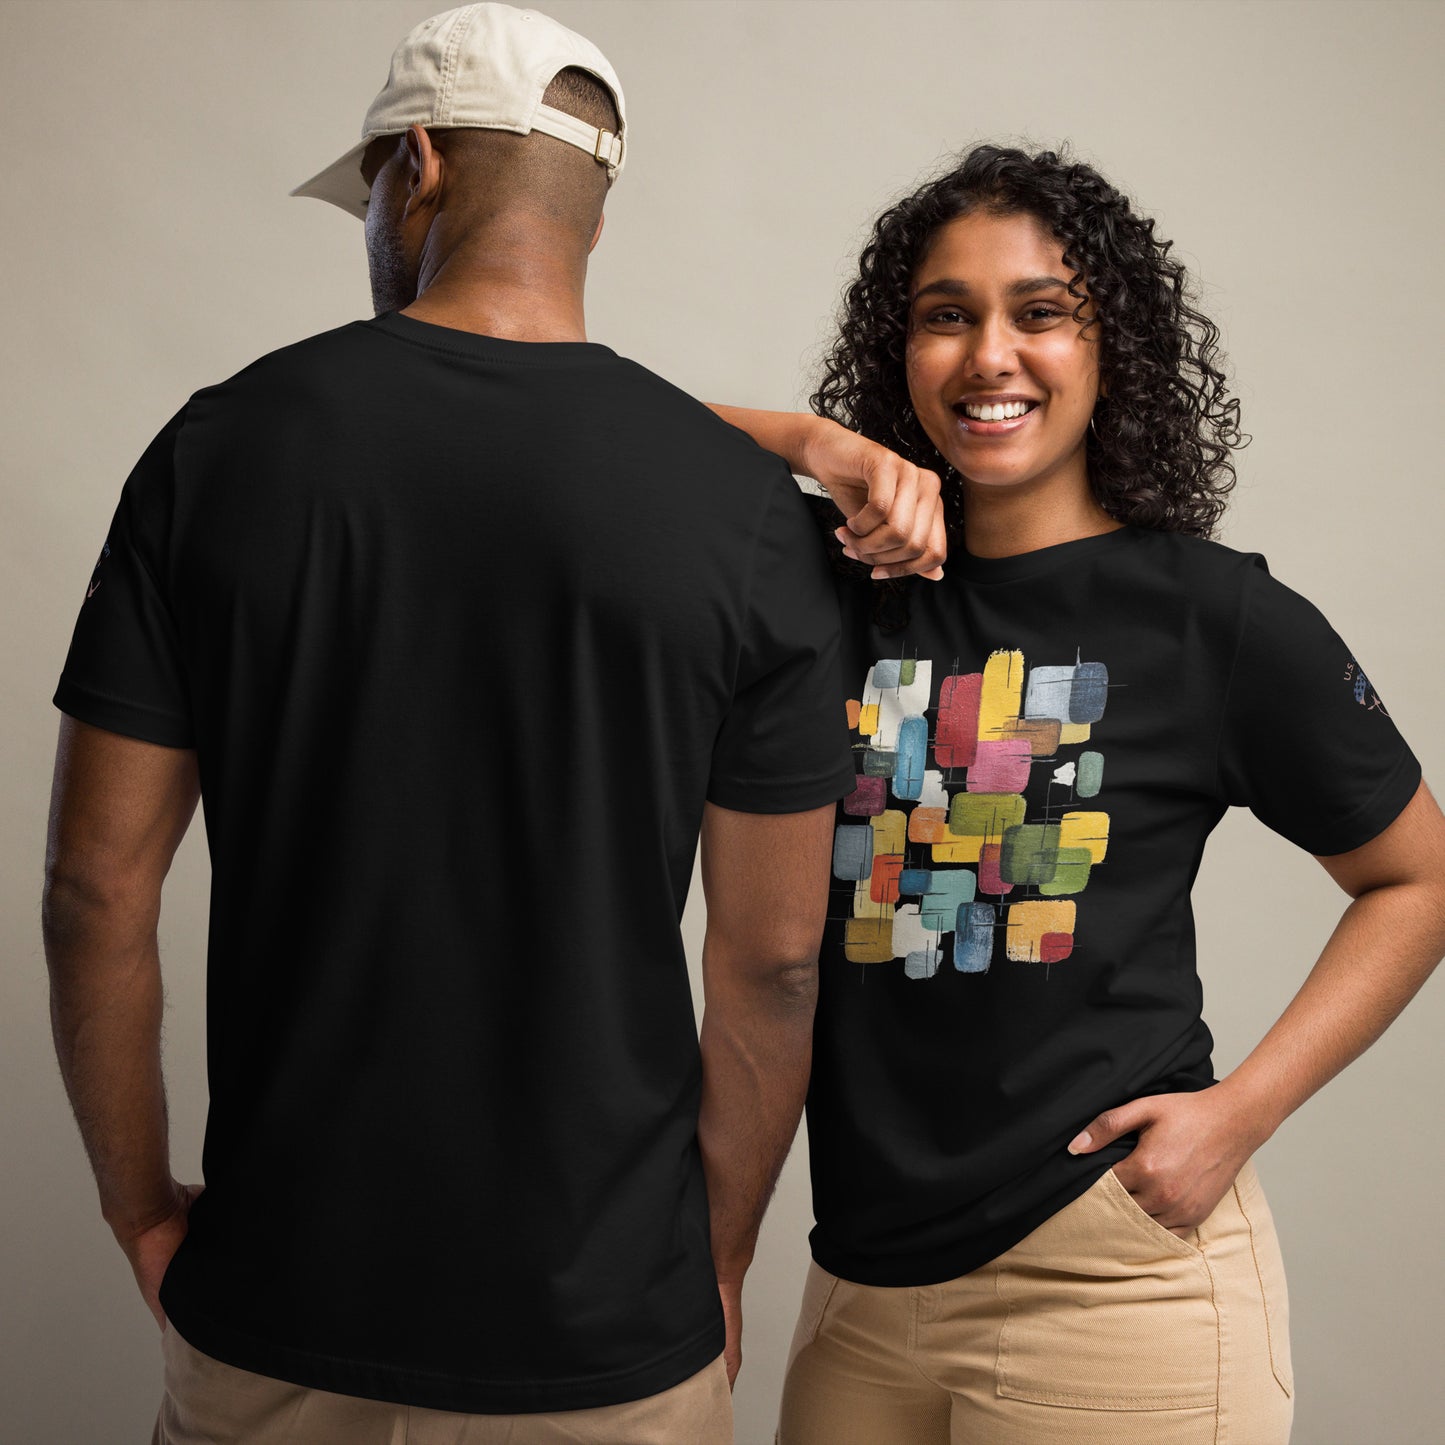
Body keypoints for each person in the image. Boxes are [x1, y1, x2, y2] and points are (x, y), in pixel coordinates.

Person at [42, 5, 855, 1442]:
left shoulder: (218, 452)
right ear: (595, 211)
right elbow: (773, 963)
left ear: (412, 169)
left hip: (278, 1304)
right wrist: (713, 1262)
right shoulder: (745, 523)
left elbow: (94, 889)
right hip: (607, 1338)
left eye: (365, 190)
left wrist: (138, 1209)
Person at [712, 143, 1445, 1444]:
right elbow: (591, 431)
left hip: (1110, 1281)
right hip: (859, 1288)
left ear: (1114, 349)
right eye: (947, 315)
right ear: (900, 348)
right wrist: (815, 443)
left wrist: (1243, 1108)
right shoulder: (827, 593)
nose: (989, 354)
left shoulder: (1208, 617)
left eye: (1039, 311)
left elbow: (1417, 877)